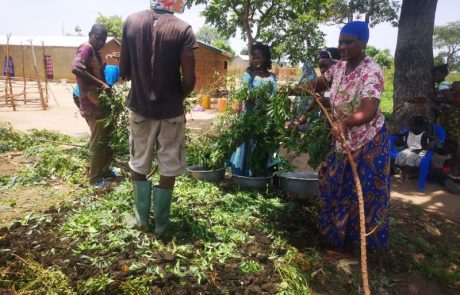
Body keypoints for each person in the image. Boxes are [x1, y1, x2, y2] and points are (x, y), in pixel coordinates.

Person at [289, 21, 390, 250]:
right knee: (333, 183)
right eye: (340, 42)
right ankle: (335, 237)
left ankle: (362, 246)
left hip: (368, 138)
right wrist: (297, 89)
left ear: (363, 43)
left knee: (362, 192)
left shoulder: (371, 70)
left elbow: (368, 110)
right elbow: (319, 83)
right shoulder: (340, 67)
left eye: (349, 42)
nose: (343, 47)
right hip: (342, 137)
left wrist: (345, 121)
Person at [119, 0, 197, 235]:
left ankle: (142, 220)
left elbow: (124, 70)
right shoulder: (183, 29)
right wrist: (174, 97)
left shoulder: (131, 21)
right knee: (168, 167)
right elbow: (190, 80)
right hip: (171, 113)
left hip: (140, 109)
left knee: (138, 163)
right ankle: (161, 226)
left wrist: (143, 86)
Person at [72, 24, 114, 186]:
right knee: (98, 138)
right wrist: (101, 84)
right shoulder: (86, 48)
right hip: (90, 101)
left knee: (107, 135)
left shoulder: (96, 52)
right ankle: (94, 179)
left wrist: (106, 88)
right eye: (98, 38)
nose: (101, 42)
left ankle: (104, 170)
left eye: (103, 39)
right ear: (90, 35)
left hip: (98, 100)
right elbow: (76, 68)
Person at [229, 42, 278, 177]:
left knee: (263, 145)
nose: (255, 60)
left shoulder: (272, 77)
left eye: (259, 57)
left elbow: (275, 95)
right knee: (249, 143)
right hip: (250, 116)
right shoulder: (249, 74)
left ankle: (261, 174)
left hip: (266, 118)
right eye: (253, 57)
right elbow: (243, 94)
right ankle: (246, 174)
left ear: (266, 58)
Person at [394, 116, 438, 183]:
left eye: (412, 126)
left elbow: (435, 139)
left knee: (410, 158)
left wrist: (432, 143)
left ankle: (403, 177)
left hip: (422, 151)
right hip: (410, 149)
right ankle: (405, 172)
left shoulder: (424, 134)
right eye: (410, 126)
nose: (410, 127)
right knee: (400, 155)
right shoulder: (409, 132)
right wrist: (394, 133)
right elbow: (401, 134)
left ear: (419, 126)